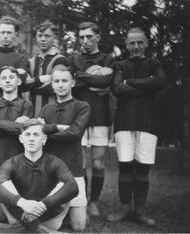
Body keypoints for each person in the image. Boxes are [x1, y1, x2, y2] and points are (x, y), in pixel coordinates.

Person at [107, 27, 166, 226]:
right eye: (132, 43)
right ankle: (125, 208)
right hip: (124, 122)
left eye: (140, 42)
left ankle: (139, 210)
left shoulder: (154, 62)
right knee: (125, 166)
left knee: (143, 168)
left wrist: (130, 82)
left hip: (149, 122)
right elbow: (117, 89)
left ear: (146, 43)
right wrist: (146, 85)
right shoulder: (119, 64)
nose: (136, 47)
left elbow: (160, 81)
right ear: (126, 44)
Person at [0, 119, 78, 233]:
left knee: (66, 184)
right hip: (21, 214)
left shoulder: (54, 161)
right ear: (21, 139)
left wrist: (43, 205)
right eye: (27, 134)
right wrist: (23, 203)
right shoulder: (12, 162)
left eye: (36, 135)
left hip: (48, 214)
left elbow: (73, 186)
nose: (31, 138)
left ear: (44, 139)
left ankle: (24, 230)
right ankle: (42, 231)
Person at [68, 22, 114, 216]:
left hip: (100, 116)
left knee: (97, 163)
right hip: (78, 117)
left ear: (98, 37)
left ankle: (94, 201)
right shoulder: (74, 59)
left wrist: (80, 76)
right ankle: (82, 200)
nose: (85, 41)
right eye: (81, 37)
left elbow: (105, 81)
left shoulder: (107, 59)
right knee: (80, 163)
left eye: (89, 36)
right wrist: (91, 79)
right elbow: (71, 83)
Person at [38, 67, 91, 231]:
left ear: (73, 83)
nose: (60, 85)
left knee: (79, 226)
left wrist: (47, 130)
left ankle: (66, 214)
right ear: (52, 85)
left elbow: (75, 132)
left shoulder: (82, 106)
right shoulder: (46, 109)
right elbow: (39, 134)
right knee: (47, 220)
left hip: (73, 169)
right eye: (56, 81)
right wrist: (58, 127)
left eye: (64, 81)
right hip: (49, 172)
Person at [26, 22, 69, 116]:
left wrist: (32, 86)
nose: (43, 39)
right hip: (32, 113)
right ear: (35, 38)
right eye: (40, 35)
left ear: (54, 38)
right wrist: (40, 80)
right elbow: (23, 86)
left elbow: (54, 87)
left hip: (54, 113)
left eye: (47, 36)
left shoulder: (59, 60)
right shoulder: (31, 62)